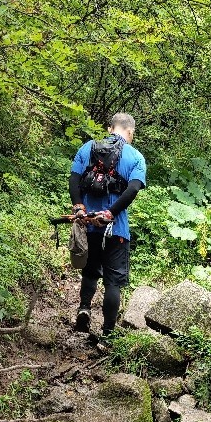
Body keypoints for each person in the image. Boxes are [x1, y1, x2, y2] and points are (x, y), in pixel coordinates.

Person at [69, 112, 146, 335]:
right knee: (113, 282)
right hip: (117, 229)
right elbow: (132, 189)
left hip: (89, 223)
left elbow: (74, 179)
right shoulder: (136, 157)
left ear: (110, 128)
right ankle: (107, 333)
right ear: (130, 132)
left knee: (90, 271)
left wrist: (79, 207)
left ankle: (84, 309)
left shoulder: (87, 148)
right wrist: (111, 213)